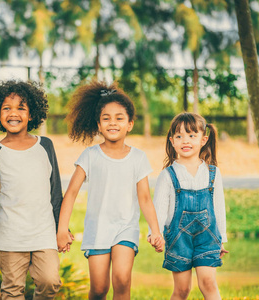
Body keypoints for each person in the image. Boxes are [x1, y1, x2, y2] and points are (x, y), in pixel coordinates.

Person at [56, 80, 165, 300]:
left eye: (119, 118)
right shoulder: (90, 156)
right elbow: (71, 194)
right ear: (98, 124)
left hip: (126, 228)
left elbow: (144, 198)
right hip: (97, 230)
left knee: (122, 281)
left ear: (130, 124)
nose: (112, 123)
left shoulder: (138, 158)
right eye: (106, 118)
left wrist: (155, 230)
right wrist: (61, 229)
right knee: (99, 289)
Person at [0, 80, 63, 300]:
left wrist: (62, 227)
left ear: (31, 115)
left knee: (50, 282)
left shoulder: (45, 146)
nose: (14, 113)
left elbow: (55, 192)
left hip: (44, 232)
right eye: (7, 108)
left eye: (21, 107)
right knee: (12, 290)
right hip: (11, 234)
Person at [153, 112, 229, 300]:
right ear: (172, 141)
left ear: (203, 139)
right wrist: (155, 233)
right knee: (182, 290)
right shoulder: (168, 175)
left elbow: (219, 207)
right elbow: (159, 208)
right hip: (179, 239)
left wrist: (221, 239)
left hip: (208, 237)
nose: (185, 141)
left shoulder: (213, 173)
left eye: (191, 136)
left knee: (209, 284)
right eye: (179, 136)